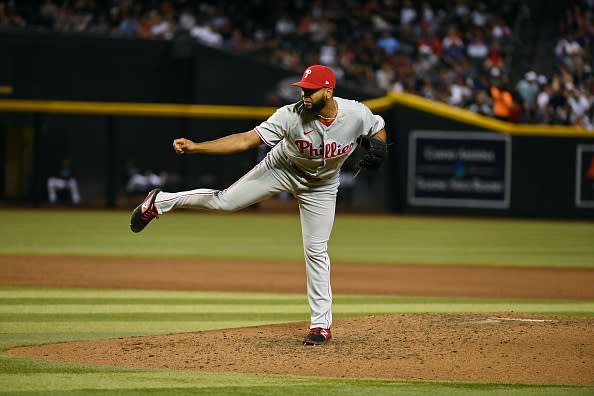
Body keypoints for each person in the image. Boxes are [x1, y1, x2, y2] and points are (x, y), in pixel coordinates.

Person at [129, 65, 388, 346]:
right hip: (281, 168)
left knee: (316, 250)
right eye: (302, 88)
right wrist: (197, 147)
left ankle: (320, 326)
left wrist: (380, 147)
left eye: (311, 90)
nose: (305, 94)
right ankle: (160, 202)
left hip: (322, 187)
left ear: (329, 90)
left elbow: (379, 127)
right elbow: (244, 140)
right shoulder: (289, 116)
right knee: (225, 202)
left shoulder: (355, 113)